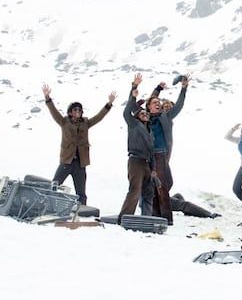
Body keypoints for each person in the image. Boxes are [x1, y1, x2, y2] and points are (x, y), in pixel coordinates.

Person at [41, 83, 116, 205]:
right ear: (70, 112)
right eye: (75, 109)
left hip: (80, 163)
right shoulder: (64, 122)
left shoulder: (86, 123)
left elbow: (98, 117)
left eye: (80, 110)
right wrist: (47, 98)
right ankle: (45, 204)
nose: (78, 111)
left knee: (81, 192)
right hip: (66, 161)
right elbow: (53, 111)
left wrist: (109, 104)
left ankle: (82, 211)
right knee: (54, 185)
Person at [144, 74, 190, 225]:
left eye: (159, 102)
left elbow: (179, 105)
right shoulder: (145, 117)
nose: (158, 104)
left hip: (163, 154)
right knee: (161, 186)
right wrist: (157, 89)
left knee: (166, 183)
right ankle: (165, 217)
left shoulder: (165, 116)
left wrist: (184, 88)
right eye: (155, 102)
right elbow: (149, 100)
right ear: (150, 106)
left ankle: (157, 213)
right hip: (153, 155)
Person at [118, 73, 157, 222]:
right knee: (134, 191)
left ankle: (146, 218)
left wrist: (153, 169)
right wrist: (134, 89)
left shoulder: (150, 131)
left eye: (146, 113)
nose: (145, 114)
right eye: (142, 113)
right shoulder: (134, 125)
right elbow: (127, 111)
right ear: (137, 116)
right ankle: (125, 217)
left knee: (148, 193)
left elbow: (152, 151)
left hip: (146, 163)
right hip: (135, 161)